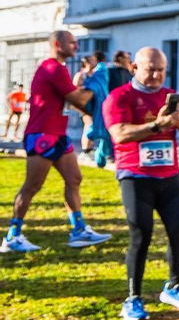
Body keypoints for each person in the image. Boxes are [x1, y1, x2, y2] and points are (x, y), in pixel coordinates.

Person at [104, 47, 179, 320]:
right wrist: (157, 125)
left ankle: (173, 285)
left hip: (169, 176)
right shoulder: (119, 96)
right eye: (150, 70)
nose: (156, 75)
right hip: (135, 176)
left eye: (161, 70)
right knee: (141, 235)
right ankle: (132, 298)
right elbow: (119, 134)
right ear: (134, 68)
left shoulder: (171, 96)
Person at [3, 31, 112, 253]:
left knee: (74, 178)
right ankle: (13, 236)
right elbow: (78, 98)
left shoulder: (57, 69)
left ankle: (78, 230)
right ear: (57, 44)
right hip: (42, 135)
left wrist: (93, 110)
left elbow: (74, 101)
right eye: (72, 42)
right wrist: (96, 81)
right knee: (32, 185)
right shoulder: (53, 68)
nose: (76, 46)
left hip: (58, 135)